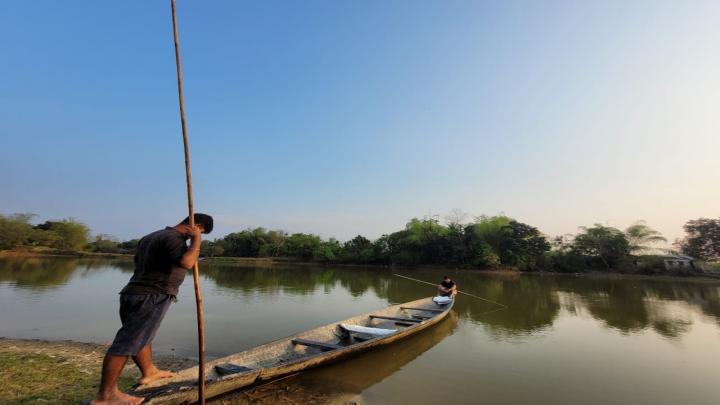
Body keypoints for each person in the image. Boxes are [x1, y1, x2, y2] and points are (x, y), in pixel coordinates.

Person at [91, 214, 214, 405]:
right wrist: (196, 241)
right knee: (127, 342)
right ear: (196, 226)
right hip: (151, 295)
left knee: (141, 337)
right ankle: (106, 396)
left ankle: (149, 372)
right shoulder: (174, 238)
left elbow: (138, 261)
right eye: (201, 231)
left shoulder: (152, 236)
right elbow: (187, 263)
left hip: (133, 292)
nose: (198, 235)